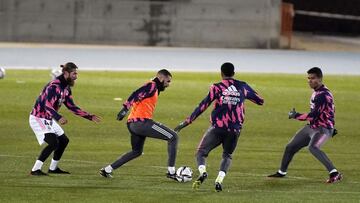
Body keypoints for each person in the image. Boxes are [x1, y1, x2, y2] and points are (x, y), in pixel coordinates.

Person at [174, 62, 264, 192]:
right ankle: (219, 180)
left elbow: (203, 106)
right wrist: (241, 98)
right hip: (234, 129)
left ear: (221, 73)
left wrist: (187, 122)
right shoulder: (242, 86)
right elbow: (260, 101)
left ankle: (203, 172)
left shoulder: (216, 87)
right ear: (234, 73)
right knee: (227, 155)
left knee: (201, 153)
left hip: (217, 128)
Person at [100, 69, 179, 180]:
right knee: (173, 136)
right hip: (142, 123)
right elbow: (136, 93)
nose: (168, 84)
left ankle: (107, 169)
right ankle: (171, 172)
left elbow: (139, 96)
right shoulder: (152, 86)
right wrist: (124, 108)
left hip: (133, 124)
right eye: (168, 81)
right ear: (161, 79)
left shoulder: (153, 87)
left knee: (136, 151)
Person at [268, 67, 342, 183]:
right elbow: (330, 110)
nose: (310, 81)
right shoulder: (318, 92)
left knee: (313, 148)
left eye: (313, 78)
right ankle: (282, 172)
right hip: (312, 127)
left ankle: (335, 173)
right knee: (290, 147)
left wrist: (295, 115)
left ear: (320, 79)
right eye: (308, 78)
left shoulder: (322, 95)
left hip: (322, 128)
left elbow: (313, 115)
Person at [29, 62, 101, 176]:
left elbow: (72, 106)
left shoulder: (66, 88)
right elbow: (47, 105)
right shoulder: (53, 86)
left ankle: (53, 168)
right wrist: (58, 117)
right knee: (53, 143)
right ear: (66, 73)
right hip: (38, 118)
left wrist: (89, 116)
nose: (76, 76)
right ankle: (35, 170)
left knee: (64, 140)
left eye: (76, 73)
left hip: (48, 118)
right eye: (74, 73)